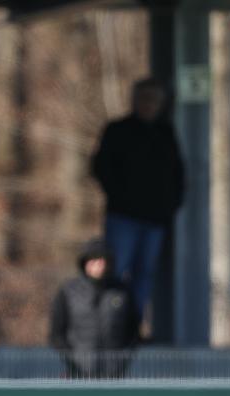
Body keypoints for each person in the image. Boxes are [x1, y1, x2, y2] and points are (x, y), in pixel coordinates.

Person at [92, 77, 184, 320]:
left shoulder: (165, 133)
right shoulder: (118, 130)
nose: (149, 105)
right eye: (145, 99)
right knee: (116, 269)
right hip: (123, 216)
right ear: (135, 101)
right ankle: (106, 325)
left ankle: (131, 327)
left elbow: (177, 173)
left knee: (144, 274)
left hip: (154, 219)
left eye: (154, 100)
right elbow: (101, 168)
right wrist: (120, 196)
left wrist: (170, 205)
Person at [49, 239, 139, 379]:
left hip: (113, 375)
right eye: (93, 260)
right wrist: (73, 363)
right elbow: (57, 335)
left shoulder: (122, 292)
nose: (98, 266)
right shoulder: (68, 291)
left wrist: (121, 363)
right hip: (78, 374)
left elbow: (133, 332)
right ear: (85, 263)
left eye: (102, 260)